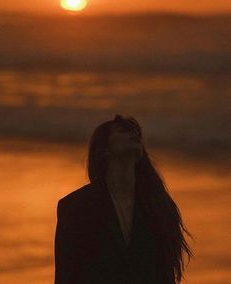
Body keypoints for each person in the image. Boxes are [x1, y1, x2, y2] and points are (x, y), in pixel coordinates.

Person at [54, 114, 194, 284]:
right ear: (105, 148)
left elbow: (165, 276)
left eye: (136, 133)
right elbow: (65, 276)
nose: (134, 135)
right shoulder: (75, 207)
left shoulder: (159, 208)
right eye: (122, 131)